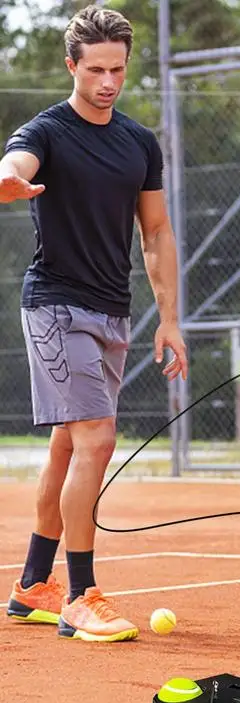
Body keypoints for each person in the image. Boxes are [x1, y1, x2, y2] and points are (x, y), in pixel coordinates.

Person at [2, 5, 187, 642]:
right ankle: (81, 594)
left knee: (68, 443)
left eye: (118, 69)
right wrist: (8, 181)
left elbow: (156, 231)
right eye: (96, 69)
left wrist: (170, 320)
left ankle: (32, 584)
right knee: (97, 439)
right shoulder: (46, 131)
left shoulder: (139, 142)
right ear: (71, 65)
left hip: (113, 310)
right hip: (55, 305)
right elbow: (15, 165)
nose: (108, 81)